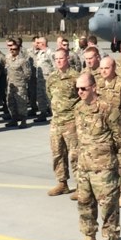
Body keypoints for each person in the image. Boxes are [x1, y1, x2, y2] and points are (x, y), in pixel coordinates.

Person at [69, 72, 121, 240]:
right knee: (84, 204)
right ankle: (89, 239)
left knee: (108, 207)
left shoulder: (107, 108)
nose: (80, 92)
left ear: (94, 87)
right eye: (77, 89)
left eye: (83, 88)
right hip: (84, 166)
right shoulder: (78, 108)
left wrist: (117, 164)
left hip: (104, 168)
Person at [97, 57, 121, 208]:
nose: (103, 71)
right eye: (101, 68)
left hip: (119, 130)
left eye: (106, 68)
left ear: (113, 68)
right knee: (105, 162)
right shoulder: (98, 84)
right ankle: (107, 191)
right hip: (103, 131)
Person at [45, 49, 80, 197]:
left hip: (71, 121)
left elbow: (81, 97)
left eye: (61, 58)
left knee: (75, 155)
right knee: (57, 153)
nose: (59, 61)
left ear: (67, 58)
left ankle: (80, 185)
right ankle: (62, 183)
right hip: (56, 121)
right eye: (56, 59)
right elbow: (49, 95)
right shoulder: (52, 77)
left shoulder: (75, 77)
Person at [4, 38, 32, 128]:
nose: (12, 51)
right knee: (10, 103)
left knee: (21, 103)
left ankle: (23, 121)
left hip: (20, 85)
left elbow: (28, 74)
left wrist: (22, 82)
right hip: (10, 85)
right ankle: (14, 119)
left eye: (14, 49)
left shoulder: (23, 61)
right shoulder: (8, 58)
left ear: (18, 50)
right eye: (11, 49)